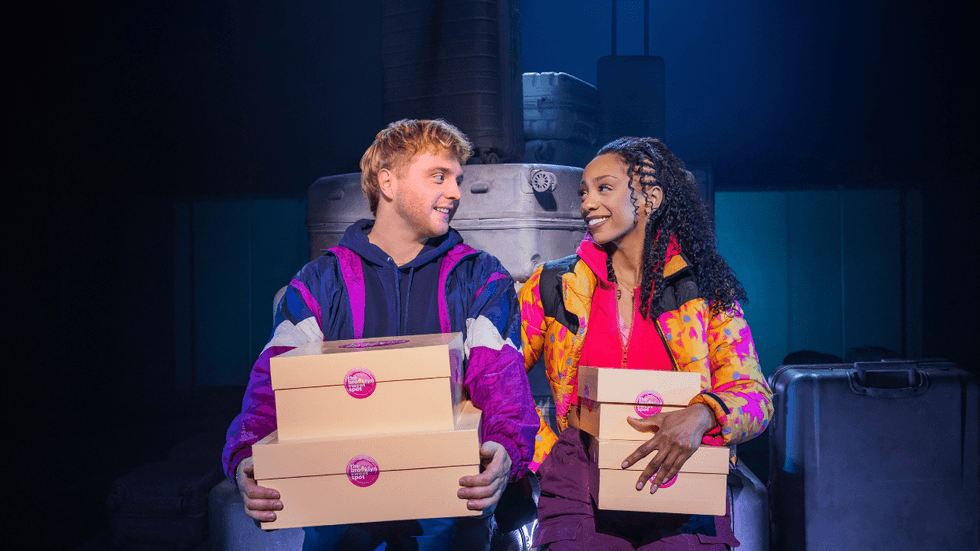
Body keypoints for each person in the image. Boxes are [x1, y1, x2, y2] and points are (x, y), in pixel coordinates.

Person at [222, 119, 539, 550]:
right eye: (438, 176)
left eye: (458, 180)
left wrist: (506, 449)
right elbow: (272, 387)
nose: (456, 193)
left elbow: (501, 383)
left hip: (447, 511)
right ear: (387, 181)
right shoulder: (320, 282)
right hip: (340, 511)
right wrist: (246, 458)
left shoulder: (480, 278)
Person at [519, 137, 773, 550]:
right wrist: (547, 452)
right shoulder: (553, 285)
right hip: (578, 484)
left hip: (682, 475)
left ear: (650, 198)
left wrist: (703, 416)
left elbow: (756, 396)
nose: (587, 203)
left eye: (604, 188)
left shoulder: (704, 291)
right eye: (583, 192)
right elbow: (499, 376)